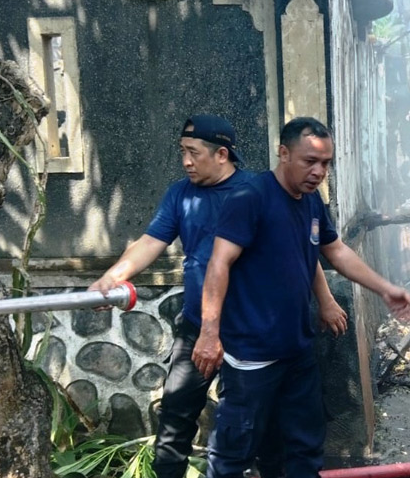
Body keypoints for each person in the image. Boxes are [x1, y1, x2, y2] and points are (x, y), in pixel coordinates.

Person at [88, 114, 347, 478]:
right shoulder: (180, 194)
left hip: (253, 334)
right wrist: (110, 278)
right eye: (183, 152)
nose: (186, 162)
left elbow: (301, 251)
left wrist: (326, 299)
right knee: (176, 417)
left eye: (193, 153)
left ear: (222, 154)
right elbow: (150, 243)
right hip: (199, 327)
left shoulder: (257, 191)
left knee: (268, 432)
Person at [192, 117, 410, 478]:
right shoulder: (251, 197)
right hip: (252, 358)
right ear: (283, 153)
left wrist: (384, 288)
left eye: (325, 163)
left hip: (296, 350)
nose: (318, 171)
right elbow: (219, 263)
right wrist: (209, 332)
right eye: (309, 161)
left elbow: (334, 251)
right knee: (234, 455)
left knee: (304, 448)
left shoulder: (310, 203)